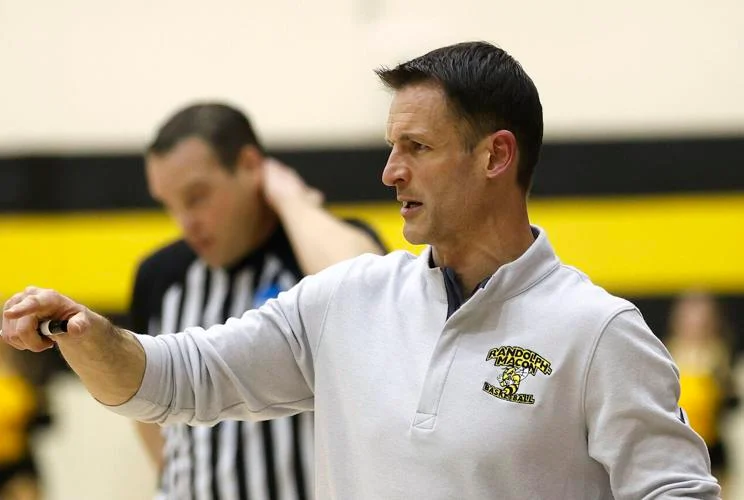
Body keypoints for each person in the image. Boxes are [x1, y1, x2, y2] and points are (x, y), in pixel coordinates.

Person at [1, 42, 721, 499]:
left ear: (495, 157)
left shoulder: (598, 332)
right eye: (389, 145)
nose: (389, 170)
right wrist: (89, 335)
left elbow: (677, 494)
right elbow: (180, 380)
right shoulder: (347, 299)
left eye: (416, 146)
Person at [129, 102, 386, 499]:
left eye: (197, 197)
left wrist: (290, 199)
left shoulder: (311, 257)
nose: (185, 222)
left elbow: (368, 294)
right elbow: (145, 404)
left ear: (250, 166)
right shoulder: (159, 276)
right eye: (171, 204)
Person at [665, 291, 739, 493]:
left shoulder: (720, 355)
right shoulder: (667, 352)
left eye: (703, 318)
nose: (696, 323)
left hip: (711, 448)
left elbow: (731, 403)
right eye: (691, 317)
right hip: (677, 447)